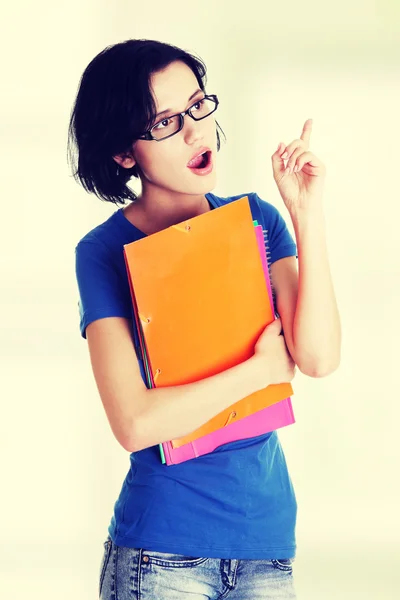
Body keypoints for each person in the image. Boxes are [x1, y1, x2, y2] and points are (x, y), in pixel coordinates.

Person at [67, 38, 341, 600]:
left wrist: (305, 213)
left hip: (266, 543)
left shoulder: (258, 221)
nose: (195, 131)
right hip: (161, 552)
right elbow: (136, 424)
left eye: (197, 107)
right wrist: (261, 369)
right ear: (124, 153)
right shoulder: (103, 251)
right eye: (165, 122)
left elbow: (316, 357)